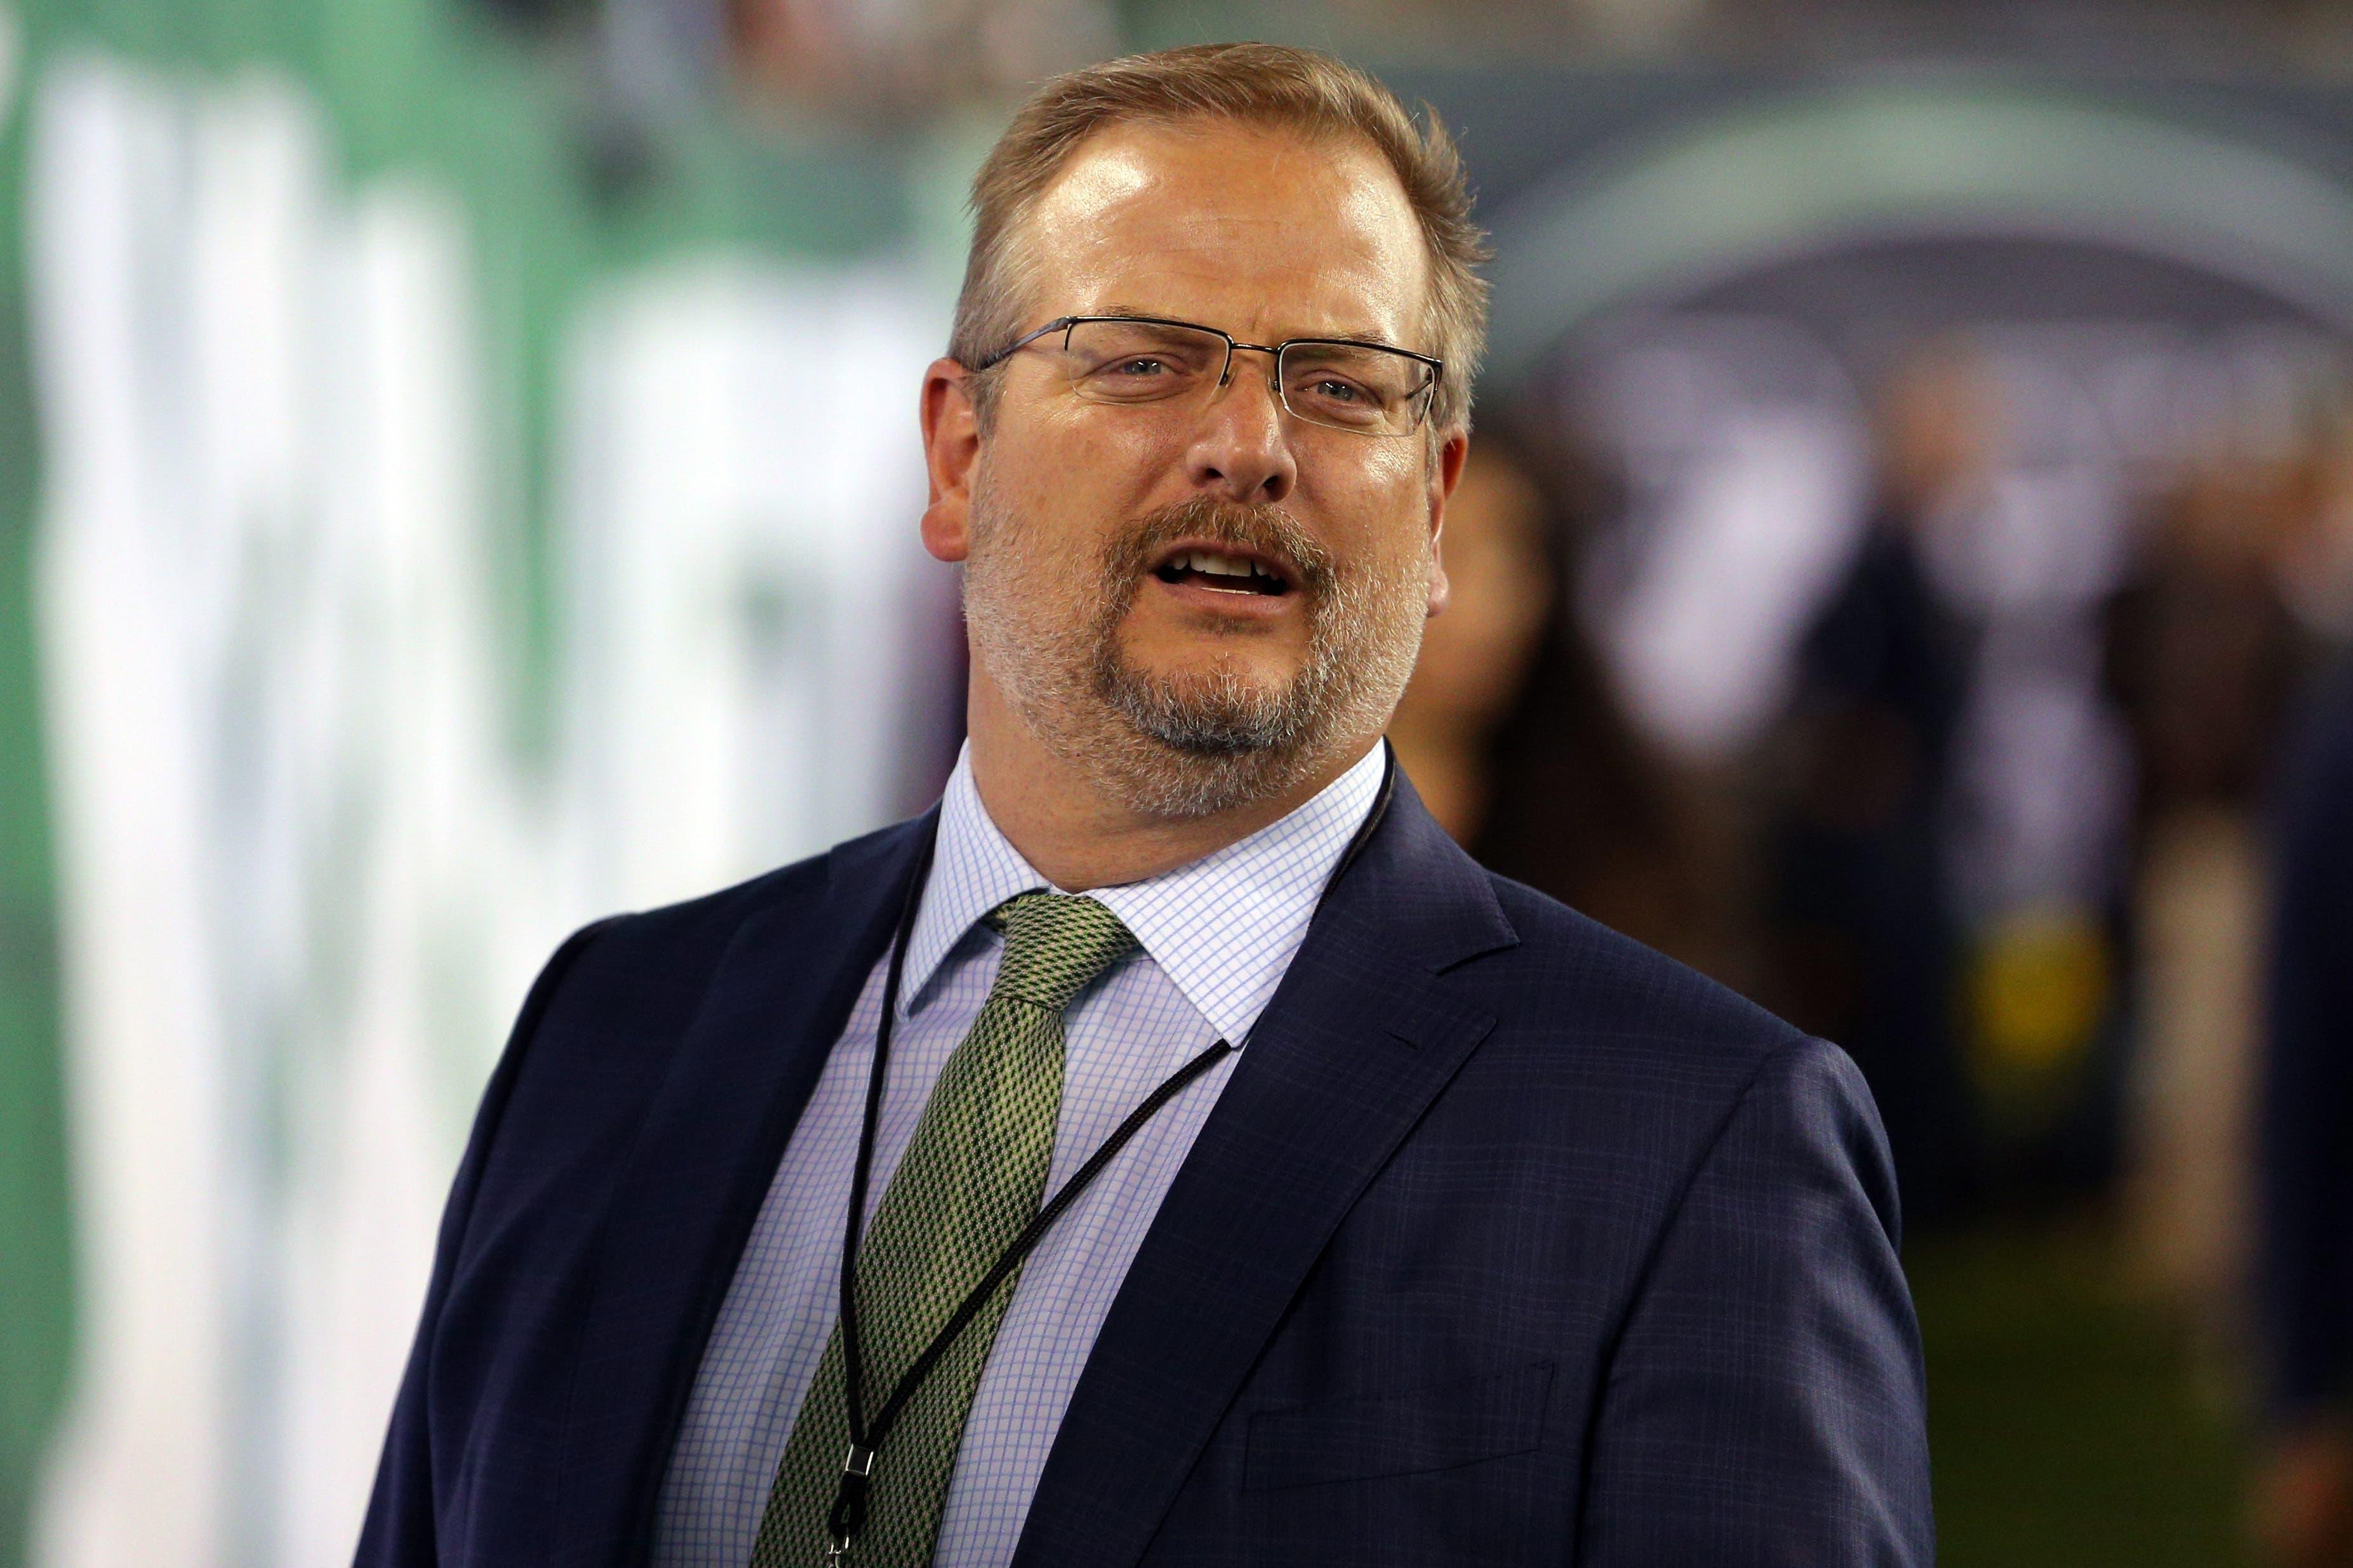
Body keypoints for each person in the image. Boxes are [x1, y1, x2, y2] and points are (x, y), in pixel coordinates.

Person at [357, 43, 1931, 1568]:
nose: (1245, 446)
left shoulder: (1690, 1144)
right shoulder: (608, 1030)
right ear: (959, 452)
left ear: (1437, 503)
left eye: (1338, 383)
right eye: (1141, 360)